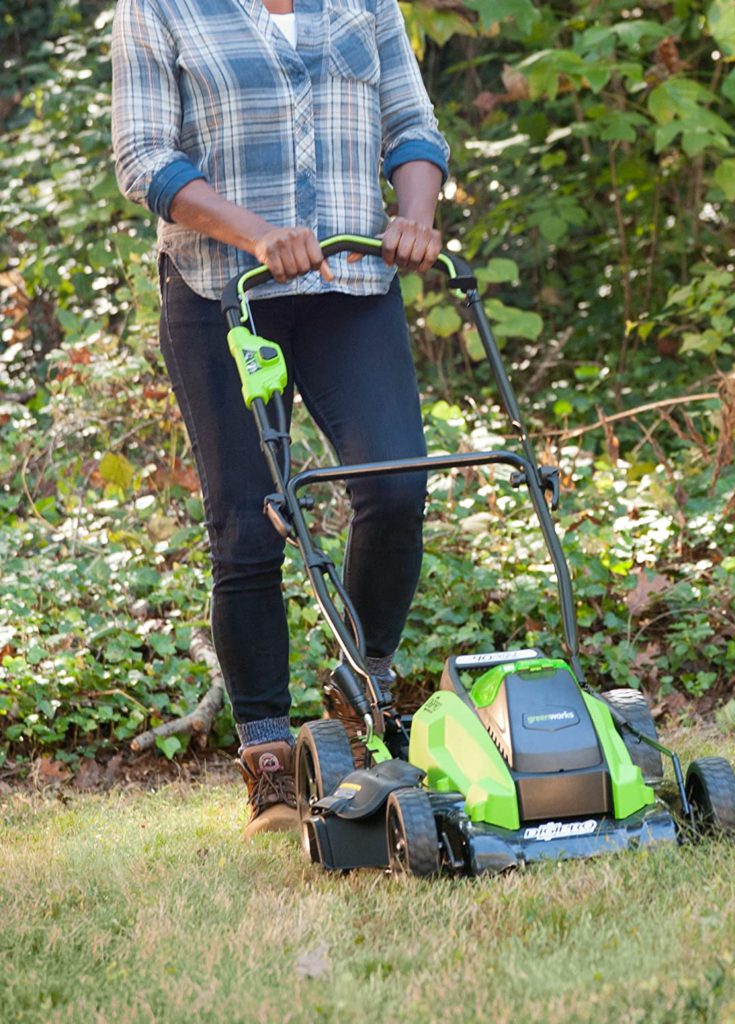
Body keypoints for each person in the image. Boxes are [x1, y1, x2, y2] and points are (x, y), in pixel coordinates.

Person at [111, 0, 448, 838]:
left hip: (352, 287)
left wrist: (414, 217)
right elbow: (143, 158)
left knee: (397, 486)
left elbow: (412, 127)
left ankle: (359, 681)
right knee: (248, 524)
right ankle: (268, 758)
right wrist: (258, 235)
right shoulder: (159, 8)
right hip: (223, 293)